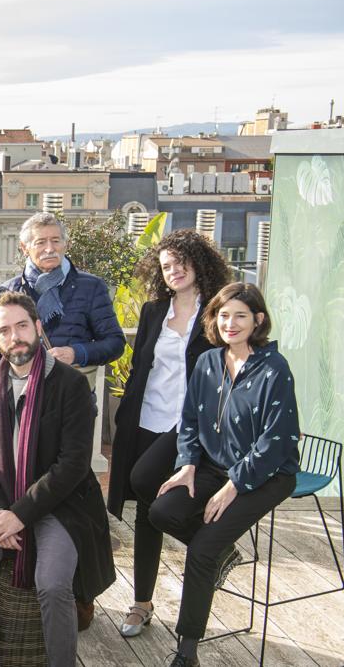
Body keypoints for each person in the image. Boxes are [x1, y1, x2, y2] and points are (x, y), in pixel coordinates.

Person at [0, 291, 115, 667]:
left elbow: (72, 464)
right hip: (1, 502)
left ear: (39, 327)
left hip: (60, 504)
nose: (15, 336)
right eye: (4, 330)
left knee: (55, 584)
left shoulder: (70, 384)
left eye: (22, 325)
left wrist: (20, 514)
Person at [150, 283, 299, 667]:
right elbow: (190, 421)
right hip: (213, 467)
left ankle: (186, 652)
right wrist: (187, 465)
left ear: (258, 321)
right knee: (161, 512)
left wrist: (235, 486)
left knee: (201, 550)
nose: (230, 323)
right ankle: (224, 551)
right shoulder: (208, 362)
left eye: (241, 315)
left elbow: (277, 440)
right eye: (223, 314)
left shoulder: (274, 369)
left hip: (266, 474)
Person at [107, 230, 230, 637]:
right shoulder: (153, 310)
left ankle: (211, 545)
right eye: (165, 266)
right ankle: (141, 603)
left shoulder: (217, 313)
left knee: (145, 484)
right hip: (145, 419)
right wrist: (124, 418)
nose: (173, 270)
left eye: (181, 262)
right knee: (145, 511)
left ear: (199, 263)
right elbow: (142, 367)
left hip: (188, 425)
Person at [0, 212, 124, 369]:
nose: (49, 249)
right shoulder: (9, 290)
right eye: (41, 242)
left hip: (72, 387)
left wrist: (75, 353)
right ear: (24, 248)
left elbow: (115, 343)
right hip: (23, 389)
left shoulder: (91, 287)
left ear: (66, 244)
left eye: (56, 241)